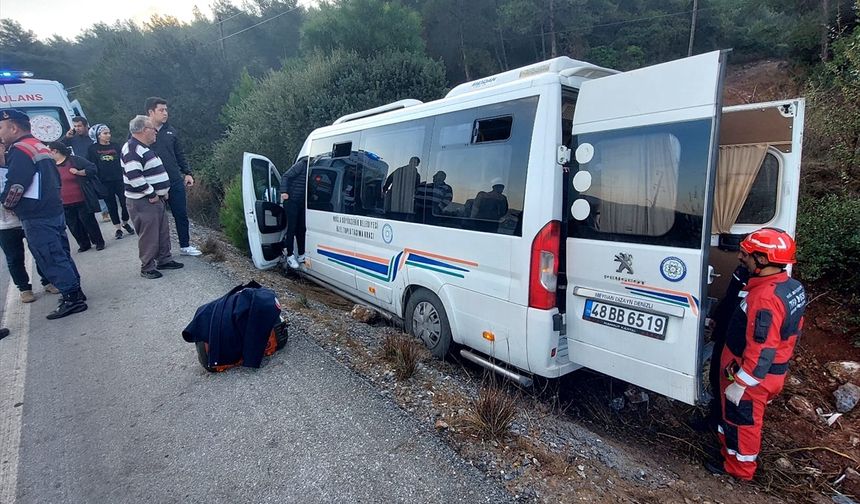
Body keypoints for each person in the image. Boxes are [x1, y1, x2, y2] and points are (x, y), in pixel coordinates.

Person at [709, 227, 807, 480]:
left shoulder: (765, 298)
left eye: (747, 254)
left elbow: (762, 347)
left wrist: (741, 383)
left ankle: (739, 469)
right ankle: (727, 453)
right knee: (733, 418)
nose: (741, 257)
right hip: (763, 372)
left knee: (742, 423)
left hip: (749, 376)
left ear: (762, 259)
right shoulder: (789, 287)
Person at [0, 109, 86, 319]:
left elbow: (16, 184)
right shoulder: (38, 145)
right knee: (61, 253)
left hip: (36, 214)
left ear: (13, 127)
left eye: (1, 128)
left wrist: (6, 203)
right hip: (52, 209)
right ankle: (76, 291)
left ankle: (72, 298)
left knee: (49, 255)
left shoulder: (19, 150)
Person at [121, 115, 184, 279]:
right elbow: (134, 176)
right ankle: (147, 266)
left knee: (162, 231)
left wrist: (163, 191)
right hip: (144, 200)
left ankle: (164, 259)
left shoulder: (144, 148)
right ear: (143, 130)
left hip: (156, 199)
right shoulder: (132, 149)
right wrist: (152, 193)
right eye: (152, 128)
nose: (155, 131)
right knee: (149, 234)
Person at [0, 141, 59, 302]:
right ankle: (24, 288)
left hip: (29, 217)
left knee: (40, 251)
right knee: (14, 257)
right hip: (5, 223)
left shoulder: (14, 163)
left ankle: (48, 280)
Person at [145, 97, 201, 256]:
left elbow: (179, 154)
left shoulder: (171, 131)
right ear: (151, 112)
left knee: (181, 214)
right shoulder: (141, 132)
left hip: (174, 179)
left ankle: (185, 245)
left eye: (166, 110)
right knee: (156, 219)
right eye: (161, 110)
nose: (165, 113)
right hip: (153, 183)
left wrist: (188, 172)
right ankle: (159, 252)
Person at [47, 142, 106, 252]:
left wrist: (79, 172)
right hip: (64, 201)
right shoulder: (51, 165)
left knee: (88, 221)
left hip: (81, 198)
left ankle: (98, 241)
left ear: (55, 151)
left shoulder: (74, 160)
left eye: (48, 150)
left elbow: (92, 168)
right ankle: (84, 243)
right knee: (73, 225)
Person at [87, 124, 135, 239]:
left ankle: (125, 222)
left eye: (109, 133)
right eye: (105, 133)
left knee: (125, 202)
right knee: (111, 205)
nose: (108, 135)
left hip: (119, 179)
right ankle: (118, 228)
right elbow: (91, 165)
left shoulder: (116, 146)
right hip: (104, 181)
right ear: (98, 135)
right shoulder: (92, 149)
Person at [279, 156, 308, 269]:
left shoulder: (311, 167)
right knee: (292, 228)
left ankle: (301, 255)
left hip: (301, 203)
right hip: (291, 201)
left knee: (301, 229)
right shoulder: (302, 164)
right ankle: (290, 256)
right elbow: (286, 176)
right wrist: (284, 192)